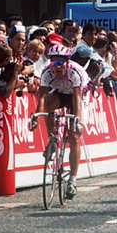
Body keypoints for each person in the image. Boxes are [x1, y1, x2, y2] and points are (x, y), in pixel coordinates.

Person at [30, 45, 90, 200]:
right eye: (54, 62)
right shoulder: (46, 72)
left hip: (79, 96)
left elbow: (76, 99)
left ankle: (72, 181)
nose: (57, 66)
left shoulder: (75, 72)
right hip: (60, 93)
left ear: (67, 62)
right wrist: (36, 117)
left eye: (60, 63)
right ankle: (52, 140)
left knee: (75, 136)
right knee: (48, 104)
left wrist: (76, 120)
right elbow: (42, 98)